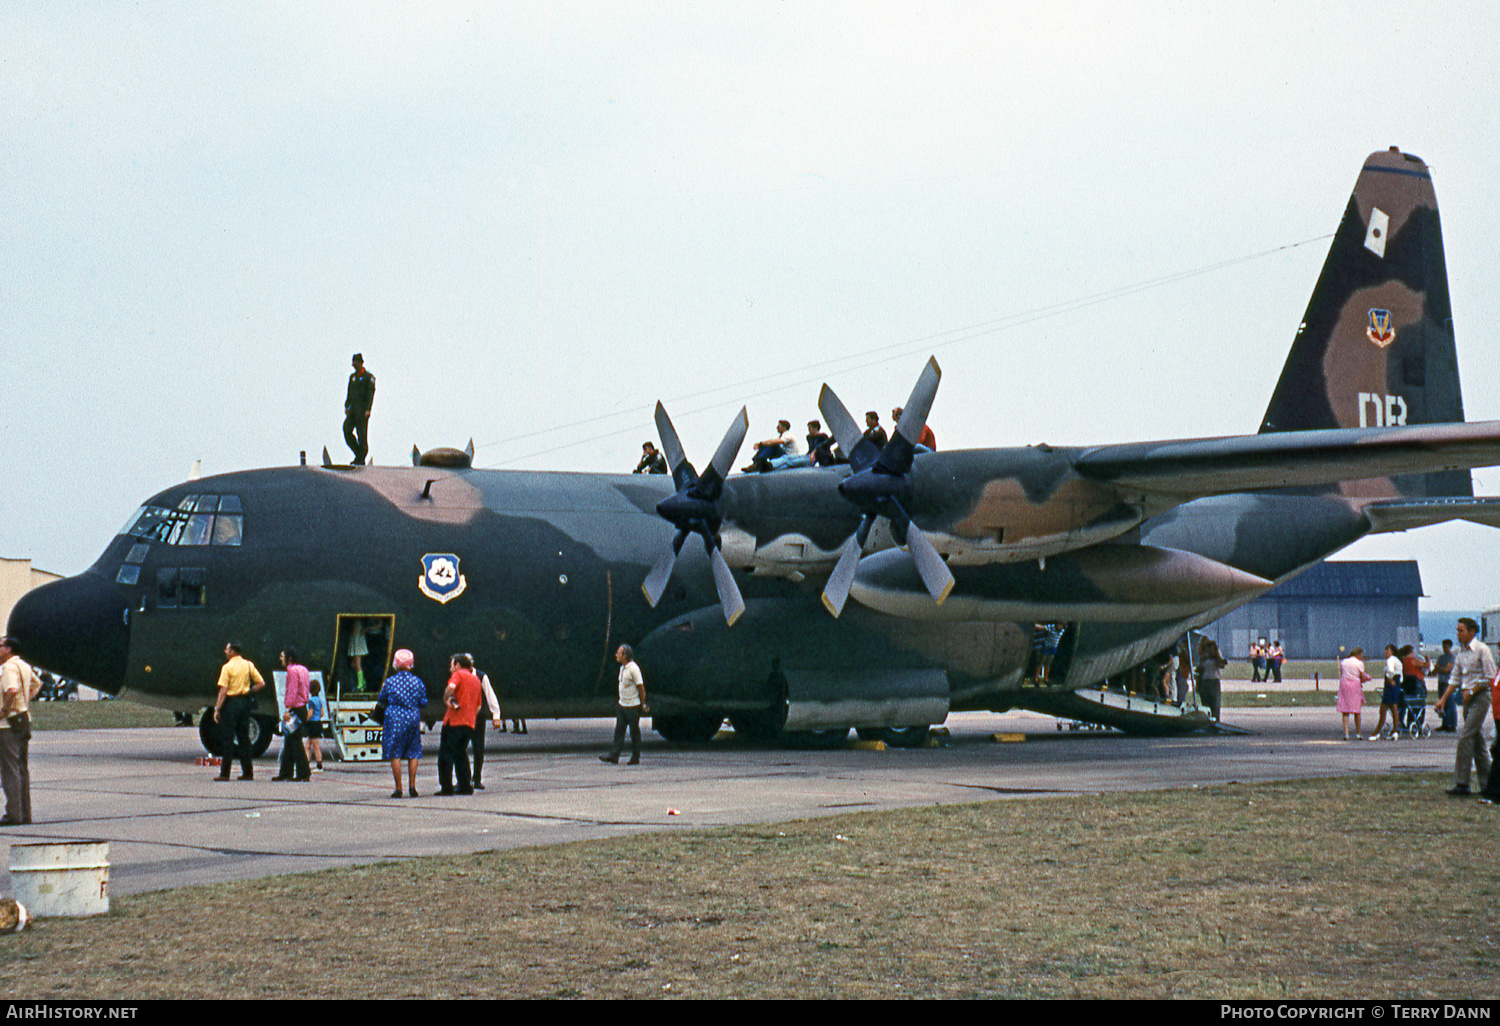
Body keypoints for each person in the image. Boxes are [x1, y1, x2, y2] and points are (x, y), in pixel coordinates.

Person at [1434, 618, 1496, 797]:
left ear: (1471, 632)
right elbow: (1454, 679)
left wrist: (1473, 690)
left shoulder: (1482, 650)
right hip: (1467, 698)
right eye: (1457, 630)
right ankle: (1488, 784)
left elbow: (1490, 677)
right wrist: (1443, 699)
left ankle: (1463, 783)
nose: (1458, 634)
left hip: (1480, 697)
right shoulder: (1460, 653)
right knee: (1477, 742)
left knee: (1465, 736)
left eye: (1461, 631)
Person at [212, 641, 268, 780]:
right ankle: (248, 772)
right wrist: (250, 691)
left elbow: (223, 690)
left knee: (228, 739)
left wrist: (217, 708)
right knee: (244, 738)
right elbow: (261, 683)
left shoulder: (227, 667)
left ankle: (225, 773)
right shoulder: (248, 664)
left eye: (227, 649)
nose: (225, 652)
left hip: (231, 703)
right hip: (245, 703)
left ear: (232, 651)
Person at [0, 635, 39, 826]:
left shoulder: (8, 668)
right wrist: (24, 704)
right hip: (23, 719)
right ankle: (25, 814)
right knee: (21, 767)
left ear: (8, 649)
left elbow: (12, 690)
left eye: (0, 646)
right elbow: (36, 684)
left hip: (8, 723)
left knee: (9, 769)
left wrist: (5, 710)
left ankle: (13, 814)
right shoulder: (24, 665)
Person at [378, 649, 427, 798]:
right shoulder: (417, 681)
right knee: (413, 752)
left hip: (394, 718)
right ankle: (412, 785)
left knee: (395, 753)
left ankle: (398, 788)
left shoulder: (390, 681)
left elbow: (382, 698)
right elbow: (423, 702)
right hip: (412, 717)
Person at [438, 653, 481, 795]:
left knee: (446, 754)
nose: (450, 668)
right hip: (469, 722)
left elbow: (451, 686)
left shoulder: (459, 675)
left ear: (457, 664)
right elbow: (479, 705)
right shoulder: (476, 680)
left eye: (452, 664)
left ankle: (446, 786)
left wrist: (446, 698)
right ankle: (466, 785)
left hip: (454, 721)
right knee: (461, 754)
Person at [600, 644, 647, 764]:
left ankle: (635, 757)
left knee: (634, 732)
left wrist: (643, 704)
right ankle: (614, 756)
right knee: (619, 731)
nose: (616, 655)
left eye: (619, 653)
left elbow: (640, 687)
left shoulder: (633, 668)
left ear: (625, 656)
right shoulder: (622, 668)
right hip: (622, 705)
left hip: (632, 707)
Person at [272, 647, 311, 782]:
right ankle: (285, 773)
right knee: (289, 741)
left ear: (289, 658)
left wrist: (287, 709)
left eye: (282, 656)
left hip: (295, 708)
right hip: (303, 708)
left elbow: (291, 691)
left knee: (294, 742)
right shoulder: (303, 669)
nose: (280, 659)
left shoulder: (291, 671)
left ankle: (304, 772)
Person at [466, 656, 504, 791]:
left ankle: (476, 778)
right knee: (461, 748)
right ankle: (464, 778)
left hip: (478, 716)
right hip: (464, 716)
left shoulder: (481, 677)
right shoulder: (459, 676)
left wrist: (496, 715)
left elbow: (490, 695)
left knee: (478, 747)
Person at [343, 353, 375, 465]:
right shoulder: (352, 377)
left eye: (356, 363)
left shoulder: (368, 377)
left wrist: (368, 409)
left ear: (361, 363)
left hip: (362, 410)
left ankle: (360, 458)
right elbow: (349, 392)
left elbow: (370, 393)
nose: (354, 365)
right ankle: (359, 454)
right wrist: (347, 405)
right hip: (353, 410)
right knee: (346, 429)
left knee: (362, 435)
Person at [1369, 644, 1404, 740]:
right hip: (1396, 684)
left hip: (1390, 685)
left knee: (1383, 710)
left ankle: (1376, 732)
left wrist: (1389, 679)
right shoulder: (1397, 660)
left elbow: (1390, 671)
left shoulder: (1390, 660)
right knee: (1394, 708)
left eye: (1387, 650)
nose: (1385, 652)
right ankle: (1395, 731)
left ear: (1391, 651)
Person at [1337, 647, 1371, 741]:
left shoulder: (1344, 662)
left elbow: (1341, 672)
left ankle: (1346, 733)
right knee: (1356, 711)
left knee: (1345, 710)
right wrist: (1368, 678)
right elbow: (1362, 676)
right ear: (1359, 654)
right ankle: (1358, 733)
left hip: (1344, 685)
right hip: (1354, 686)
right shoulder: (1359, 663)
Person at [1197, 638, 1227, 722]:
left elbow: (1222, 665)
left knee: (1215, 704)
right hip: (1205, 681)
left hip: (1214, 681)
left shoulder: (1216, 658)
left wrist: (1216, 656)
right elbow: (1200, 670)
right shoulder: (1204, 658)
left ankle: (1216, 721)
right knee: (1206, 704)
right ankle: (1207, 722)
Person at [304, 679, 328, 771]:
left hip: (312, 724)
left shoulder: (311, 701)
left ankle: (319, 765)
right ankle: (307, 764)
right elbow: (322, 713)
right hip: (318, 723)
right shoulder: (319, 700)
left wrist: (305, 719)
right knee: (308, 744)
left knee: (314, 746)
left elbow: (310, 713)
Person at [1434, 639, 1457, 732]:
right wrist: (1440, 669)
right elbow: (1435, 669)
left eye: (1446, 646)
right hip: (1441, 681)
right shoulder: (1441, 657)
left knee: (1450, 703)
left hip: (1448, 682)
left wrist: (1440, 668)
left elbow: (1448, 669)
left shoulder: (1452, 657)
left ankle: (1453, 724)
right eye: (1443, 646)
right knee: (1442, 703)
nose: (1444, 648)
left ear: (1450, 647)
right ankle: (1445, 723)